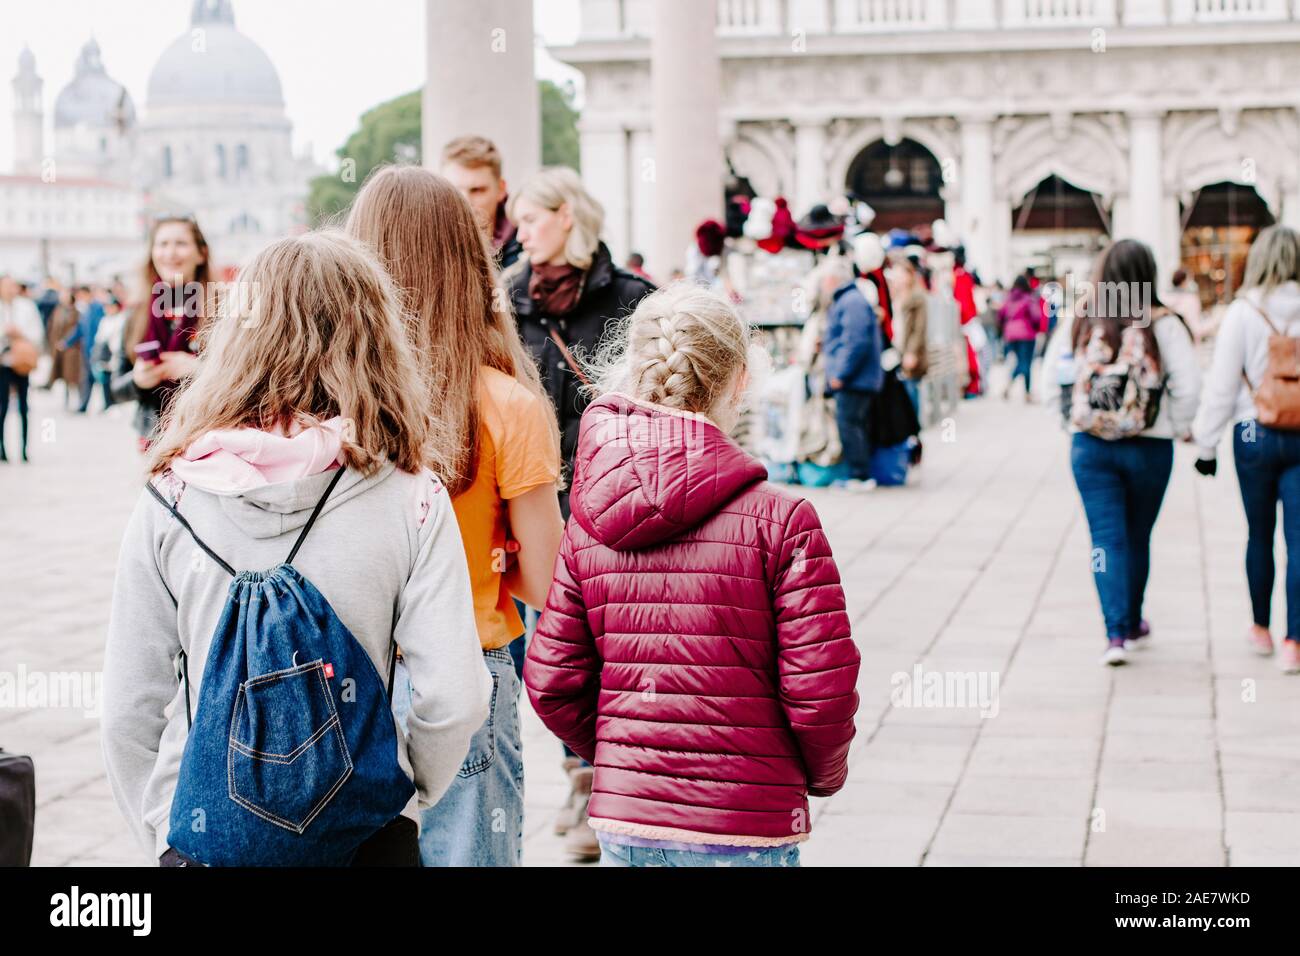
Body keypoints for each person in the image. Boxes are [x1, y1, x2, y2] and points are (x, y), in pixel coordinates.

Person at [101, 230, 492, 867]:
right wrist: (406, 794)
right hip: (366, 838)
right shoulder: (410, 496)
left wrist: (160, 832)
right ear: (376, 339)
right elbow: (457, 695)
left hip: (206, 839)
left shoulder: (172, 495)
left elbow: (126, 711)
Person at [524, 283, 861, 868]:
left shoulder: (588, 519)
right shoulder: (783, 521)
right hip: (745, 819)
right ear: (738, 381)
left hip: (628, 821)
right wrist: (815, 778)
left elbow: (553, 680)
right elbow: (821, 691)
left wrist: (621, 757)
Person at [346, 164, 565, 865]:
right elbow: (546, 584)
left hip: (340, 670)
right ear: (470, 262)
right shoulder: (508, 405)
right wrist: (496, 555)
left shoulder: (318, 403)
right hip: (467, 664)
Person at [505, 165, 655, 861]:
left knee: (618, 648)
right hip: (540, 505)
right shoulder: (508, 300)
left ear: (567, 215)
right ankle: (584, 775)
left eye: (530, 219)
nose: (520, 232)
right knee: (556, 650)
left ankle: (620, 779)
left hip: (618, 505)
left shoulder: (632, 299)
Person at [1065, 240, 1201, 666]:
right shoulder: (1166, 323)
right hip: (1150, 447)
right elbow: (1190, 386)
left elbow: (1058, 371)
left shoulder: (1086, 317)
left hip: (1090, 448)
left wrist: (1071, 420)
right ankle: (1132, 621)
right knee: (1138, 536)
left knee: (1106, 540)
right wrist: (1178, 427)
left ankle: (1115, 634)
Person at [1191, 225, 1300, 673]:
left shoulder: (1242, 311)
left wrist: (1206, 442)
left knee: (1259, 533)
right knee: (1298, 541)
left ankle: (1260, 629)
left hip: (1252, 432)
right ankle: (1295, 641)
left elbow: (1220, 385)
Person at [110, 216, 213, 453]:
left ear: (201, 253)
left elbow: (249, 380)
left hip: (207, 437)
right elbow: (114, 388)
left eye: (181, 243)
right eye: (163, 244)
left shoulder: (223, 308)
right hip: (152, 439)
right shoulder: (136, 312)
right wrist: (137, 380)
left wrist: (199, 370)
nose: (170, 252)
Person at [824, 237, 885, 491]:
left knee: (850, 424)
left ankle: (859, 475)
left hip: (855, 378)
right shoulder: (851, 299)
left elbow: (855, 342)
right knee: (854, 423)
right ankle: (859, 474)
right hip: (860, 377)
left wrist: (840, 373)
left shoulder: (850, 301)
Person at [440, 135, 523, 271]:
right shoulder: (426, 242)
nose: (465, 202)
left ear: (501, 189)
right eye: (454, 191)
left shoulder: (528, 243)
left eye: (477, 190)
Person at [0, 275, 44, 463]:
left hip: (22, 363)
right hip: (2, 363)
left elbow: (37, 334)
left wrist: (20, 333)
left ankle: (24, 449)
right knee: (2, 408)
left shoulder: (26, 307)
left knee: (24, 408)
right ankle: (2, 448)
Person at [999, 274, 1045, 402]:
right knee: (1025, 363)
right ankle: (1017, 388)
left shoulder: (1008, 298)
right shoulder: (1028, 299)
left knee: (1021, 362)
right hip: (1026, 334)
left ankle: (1025, 392)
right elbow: (1036, 316)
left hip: (1011, 335)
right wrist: (1035, 328)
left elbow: (1001, 315)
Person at [64, 285, 106, 413]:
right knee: (86, 378)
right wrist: (67, 342)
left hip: (96, 349)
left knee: (100, 377)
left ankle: (108, 404)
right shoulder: (86, 310)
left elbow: (100, 328)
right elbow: (80, 329)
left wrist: (98, 348)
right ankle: (83, 405)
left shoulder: (97, 308)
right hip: (86, 350)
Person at [953, 248, 981, 397]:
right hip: (962, 322)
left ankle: (971, 387)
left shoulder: (961, 276)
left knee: (968, 356)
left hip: (962, 323)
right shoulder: (961, 276)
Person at [1166, 268, 1205, 344]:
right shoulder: (1191, 300)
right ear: (1184, 281)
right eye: (1190, 279)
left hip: (1171, 343)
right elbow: (1196, 328)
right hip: (1188, 343)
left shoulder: (1165, 297)